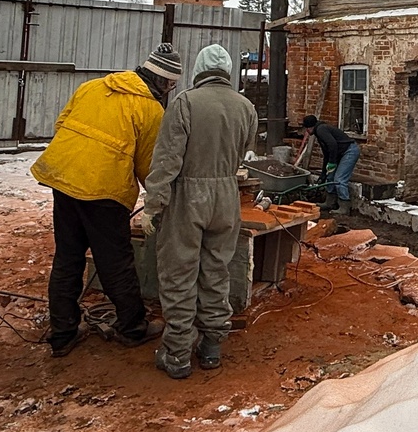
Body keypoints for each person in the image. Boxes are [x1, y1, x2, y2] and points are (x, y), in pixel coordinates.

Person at [31, 43, 181, 357]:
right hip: (103, 191)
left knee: (67, 258)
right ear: (163, 82)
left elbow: (62, 127)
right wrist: (158, 200)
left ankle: (62, 333)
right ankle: (132, 327)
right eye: (170, 85)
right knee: (115, 262)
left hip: (64, 178)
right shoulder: (151, 109)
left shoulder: (92, 87)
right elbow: (149, 165)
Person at [142, 44, 258, 380]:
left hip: (188, 197)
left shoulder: (185, 103)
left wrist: (153, 206)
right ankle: (211, 346)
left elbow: (167, 160)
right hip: (226, 197)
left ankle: (177, 353)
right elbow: (243, 154)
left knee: (180, 273)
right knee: (216, 271)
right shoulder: (246, 106)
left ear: (198, 70)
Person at [302, 114, 360, 215]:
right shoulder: (319, 132)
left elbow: (332, 145)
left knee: (339, 179)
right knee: (331, 176)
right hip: (340, 153)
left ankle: (344, 206)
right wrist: (324, 174)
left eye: (306, 128)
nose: (306, 131)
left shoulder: (321, 129)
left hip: (349, 151)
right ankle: (330, 202)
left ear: (309, 127)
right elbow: (327, 154)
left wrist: (332, 163)